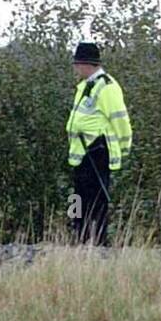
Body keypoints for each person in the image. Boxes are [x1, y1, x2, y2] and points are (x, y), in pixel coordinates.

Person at [66, 41, 133, 246]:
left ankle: (98, 240)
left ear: (88, 64)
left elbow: (120, 119)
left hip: (96, 151)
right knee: (78, 197)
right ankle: (79, 235)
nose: (76, 68)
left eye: (78, 64)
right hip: (80, 152)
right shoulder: (86, 86)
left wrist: (123, 148)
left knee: (96, 200)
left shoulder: (107, 87)